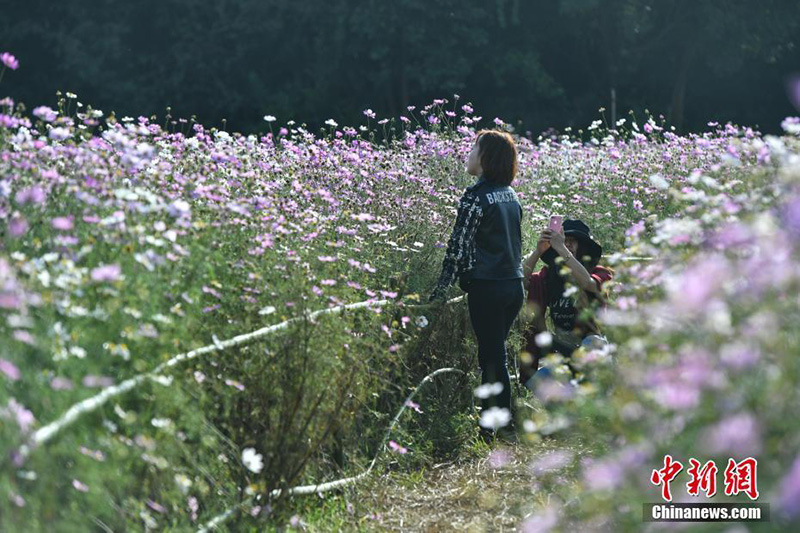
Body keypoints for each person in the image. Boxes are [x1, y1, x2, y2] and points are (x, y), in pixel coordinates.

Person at [429, 130, 523, 440]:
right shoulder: (511, 196)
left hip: (488, 287)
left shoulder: (475, 197)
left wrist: (440, 290)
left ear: (485, 158)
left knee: (491, 356)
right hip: (513, 286)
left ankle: (496, 426)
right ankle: (498, 422)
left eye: (474, 148)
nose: (468, 153)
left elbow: (457, 247)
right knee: (495, 352)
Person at [520, 219, 613, 388]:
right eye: (564, 240)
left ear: (582, 247)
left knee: (592, 344)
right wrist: (538, 251)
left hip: (593, 349)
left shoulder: (599, 273)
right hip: (564, 350)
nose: (567, 244)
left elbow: (589, 284)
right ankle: (569, 410)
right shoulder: (549, 276)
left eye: (572, 242)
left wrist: (561, 248)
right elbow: (521, 282)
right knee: (536, 383)